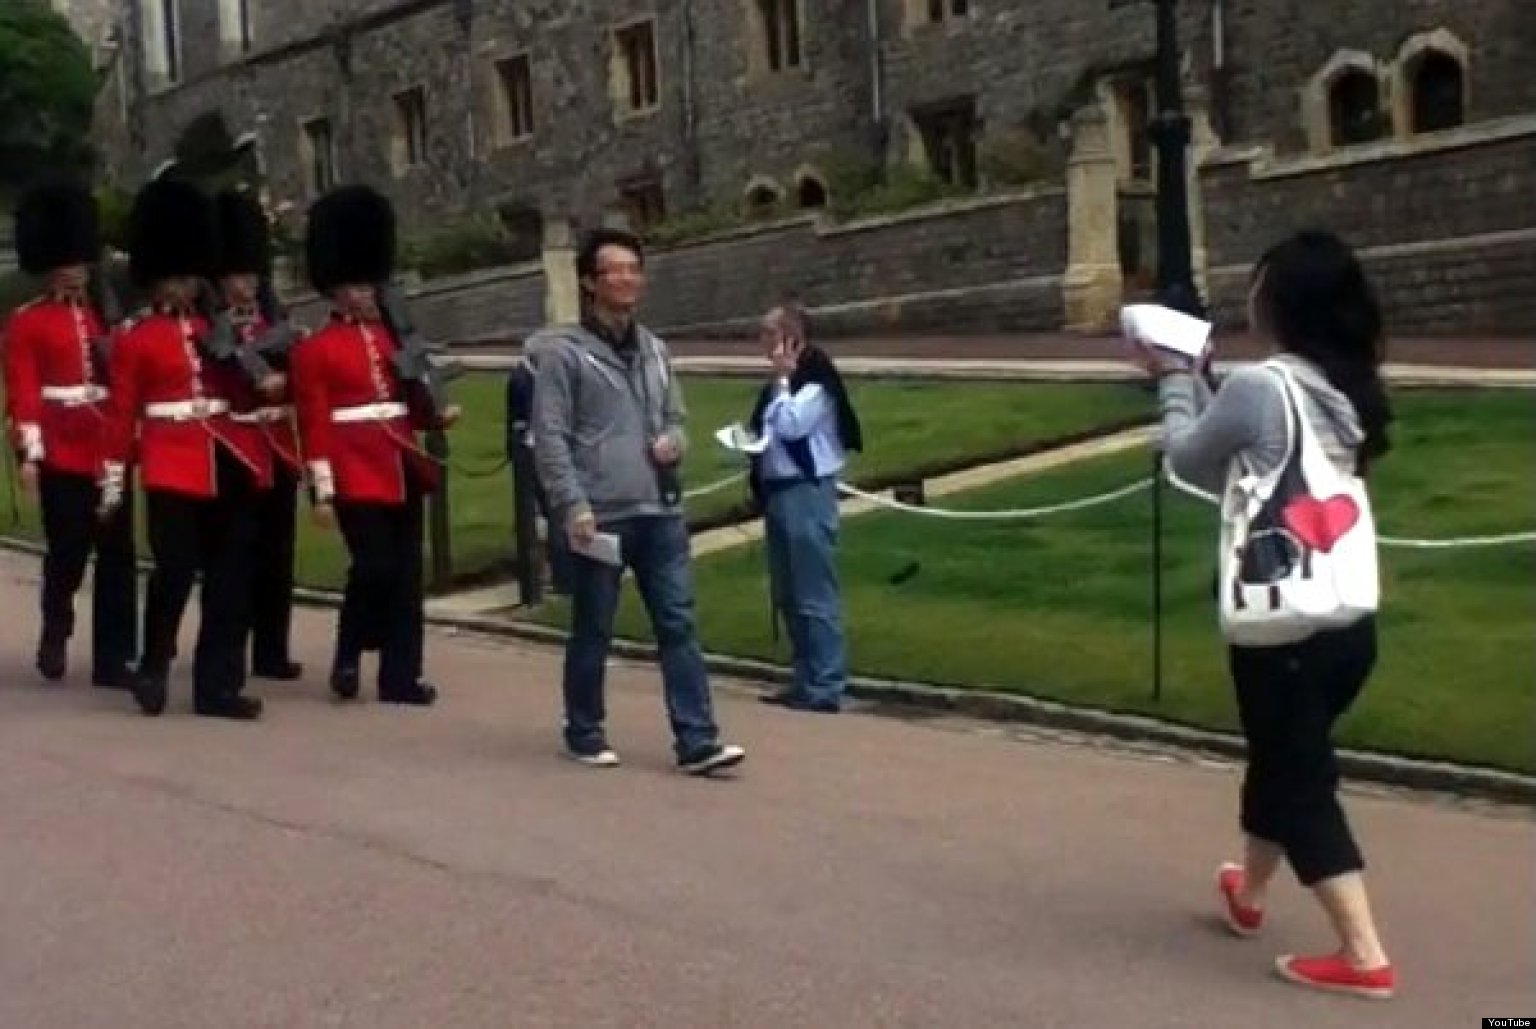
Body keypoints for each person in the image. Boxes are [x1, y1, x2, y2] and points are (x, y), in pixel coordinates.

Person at [1131, 229, 1396, 999]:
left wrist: (1178, 378)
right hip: (1347, 622)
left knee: (1300, 776)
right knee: (1282, 757)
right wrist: (1208, 378)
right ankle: (1248, 893)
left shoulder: (1262, 386)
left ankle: (1363, 952)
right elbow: (1252, 462)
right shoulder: (1344, 384)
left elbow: (1187, 458)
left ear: (1278, 301)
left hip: (1282, 627)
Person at [528, 227, 745, 775]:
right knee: (594, 626)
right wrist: (571, 504)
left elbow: (675, 416)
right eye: (613, 270)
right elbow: (549, 437)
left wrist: (676, 442)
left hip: (659, 507)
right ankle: (584, 729)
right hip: (600, 512)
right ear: (589, 282)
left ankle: (697, 739)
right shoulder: (563, 355)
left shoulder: (655, 349)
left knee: (678, 623)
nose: (626, 279)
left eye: (633, 269)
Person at [100, 178, 265, 720]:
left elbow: (238, 390)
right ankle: (154, 664)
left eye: (189, 277)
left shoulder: (213, 330)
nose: (182, 288)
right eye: (173, 278)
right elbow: (122, 413)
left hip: (225, 454)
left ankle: (216, 685)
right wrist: (113, 481)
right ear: (153, 281)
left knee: (229, 575)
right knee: (173, 571)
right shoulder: (135, 339)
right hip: (171, 461)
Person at [290, 184, 456, 706]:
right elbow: (314, 423)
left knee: (407, 573)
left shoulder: (394, 337)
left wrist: (434, 413)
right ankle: (348, 651)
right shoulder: (314, 350)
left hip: (401, 458)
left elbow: (409, 393)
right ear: (335, 290)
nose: (365, 294)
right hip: (352, 465)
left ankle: (400, 676)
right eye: (355, 286)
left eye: (369, 284)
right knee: (373, 566)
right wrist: (321, 489)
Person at [2, 179, 138, 689]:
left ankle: (115, 656)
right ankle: (57, 625)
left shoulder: (104, 318)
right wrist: (30, 454)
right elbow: (24, 392)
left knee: (119, 554)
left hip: (107, 447)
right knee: (69, 550)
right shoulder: (27, 323)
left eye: (80, 263)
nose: (75, 272)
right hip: (61, 446)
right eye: (68, 263)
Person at [747, 303, 861, 714]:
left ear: (790, 339)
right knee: (789, 590)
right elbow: (769, 431)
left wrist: (781, 380)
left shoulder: (814, 384)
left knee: (814, 589)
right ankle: (804, 675)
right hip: (779, 489)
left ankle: (826, 681)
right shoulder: (782, 384)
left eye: (767, 334)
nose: (761, 342)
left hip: (807, 490)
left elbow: (793, 425)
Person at [212, 187, 305, 681]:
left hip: (278, 443)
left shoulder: (275, 321)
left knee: (278, 551)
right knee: (238, 552)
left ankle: (273, 648)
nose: (245, 286)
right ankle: (235, 647)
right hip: (236, 443)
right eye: (236, 276)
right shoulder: (213, 328)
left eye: (251, 276)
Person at [505, 357, 572, 594]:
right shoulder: (533, 376)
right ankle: (561, 577)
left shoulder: (521, 375)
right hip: (542, 450)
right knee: (556, 515)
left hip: (532, 448)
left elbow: (514, 419)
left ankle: (546, 574)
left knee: (545, 514)